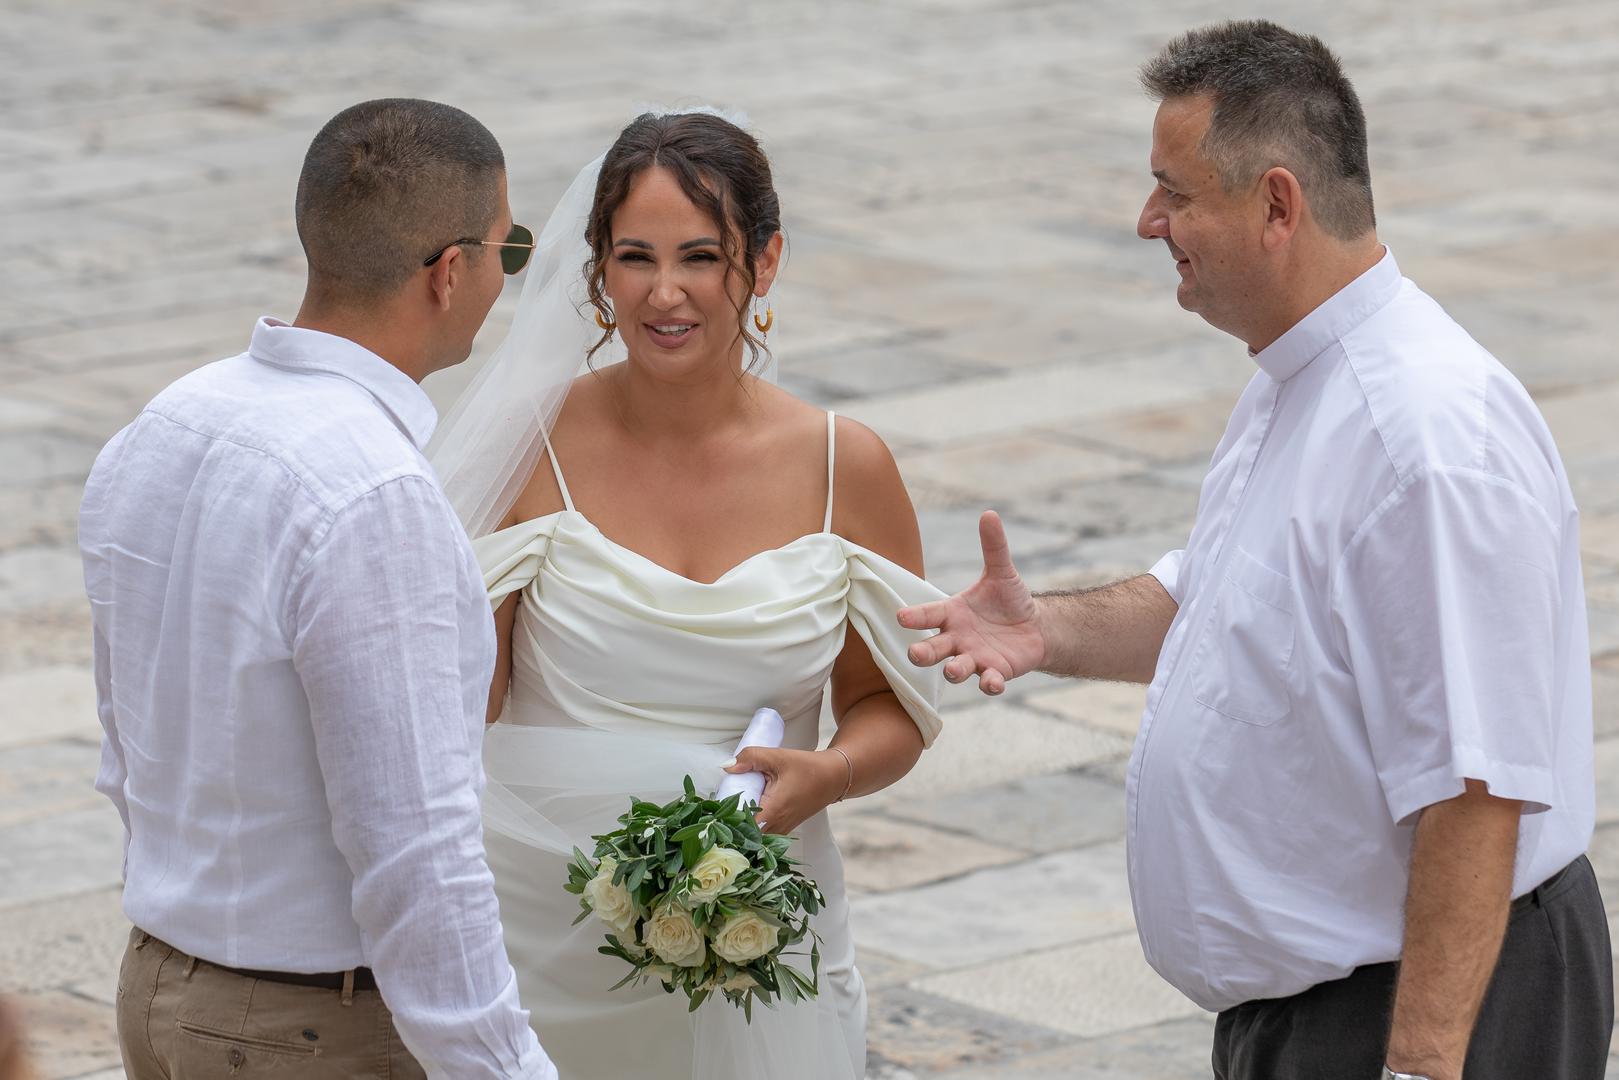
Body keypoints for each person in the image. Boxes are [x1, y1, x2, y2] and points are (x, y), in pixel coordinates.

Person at [899, 20, 1612, 1080]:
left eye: (1173, 192)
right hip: (1322, 1012)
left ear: (1276, 205)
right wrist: (1043, 629)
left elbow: (1474, 789)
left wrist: (1417, 1067)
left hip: (1428, 1007)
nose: (1147, 222)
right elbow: (1220, 603)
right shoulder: (1297, 378)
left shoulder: (1422, 443)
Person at [428, 109, 944, 1080]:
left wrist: (828, 774)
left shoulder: (846, 466)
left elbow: (887, 705)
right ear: (597, 270)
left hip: (758, 938)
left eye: (700, 257)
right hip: (540, 937)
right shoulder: (525, 450)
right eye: (635, 258)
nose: (664, 293)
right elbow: (454, 713)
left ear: (765, 261)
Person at [79, 98, 556, 1079]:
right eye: (508, 252)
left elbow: (127, 742)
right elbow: (415, 844)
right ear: (450, 271)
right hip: (306, 1029)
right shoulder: (372, 494)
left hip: (160, 985)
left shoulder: (168, 420)